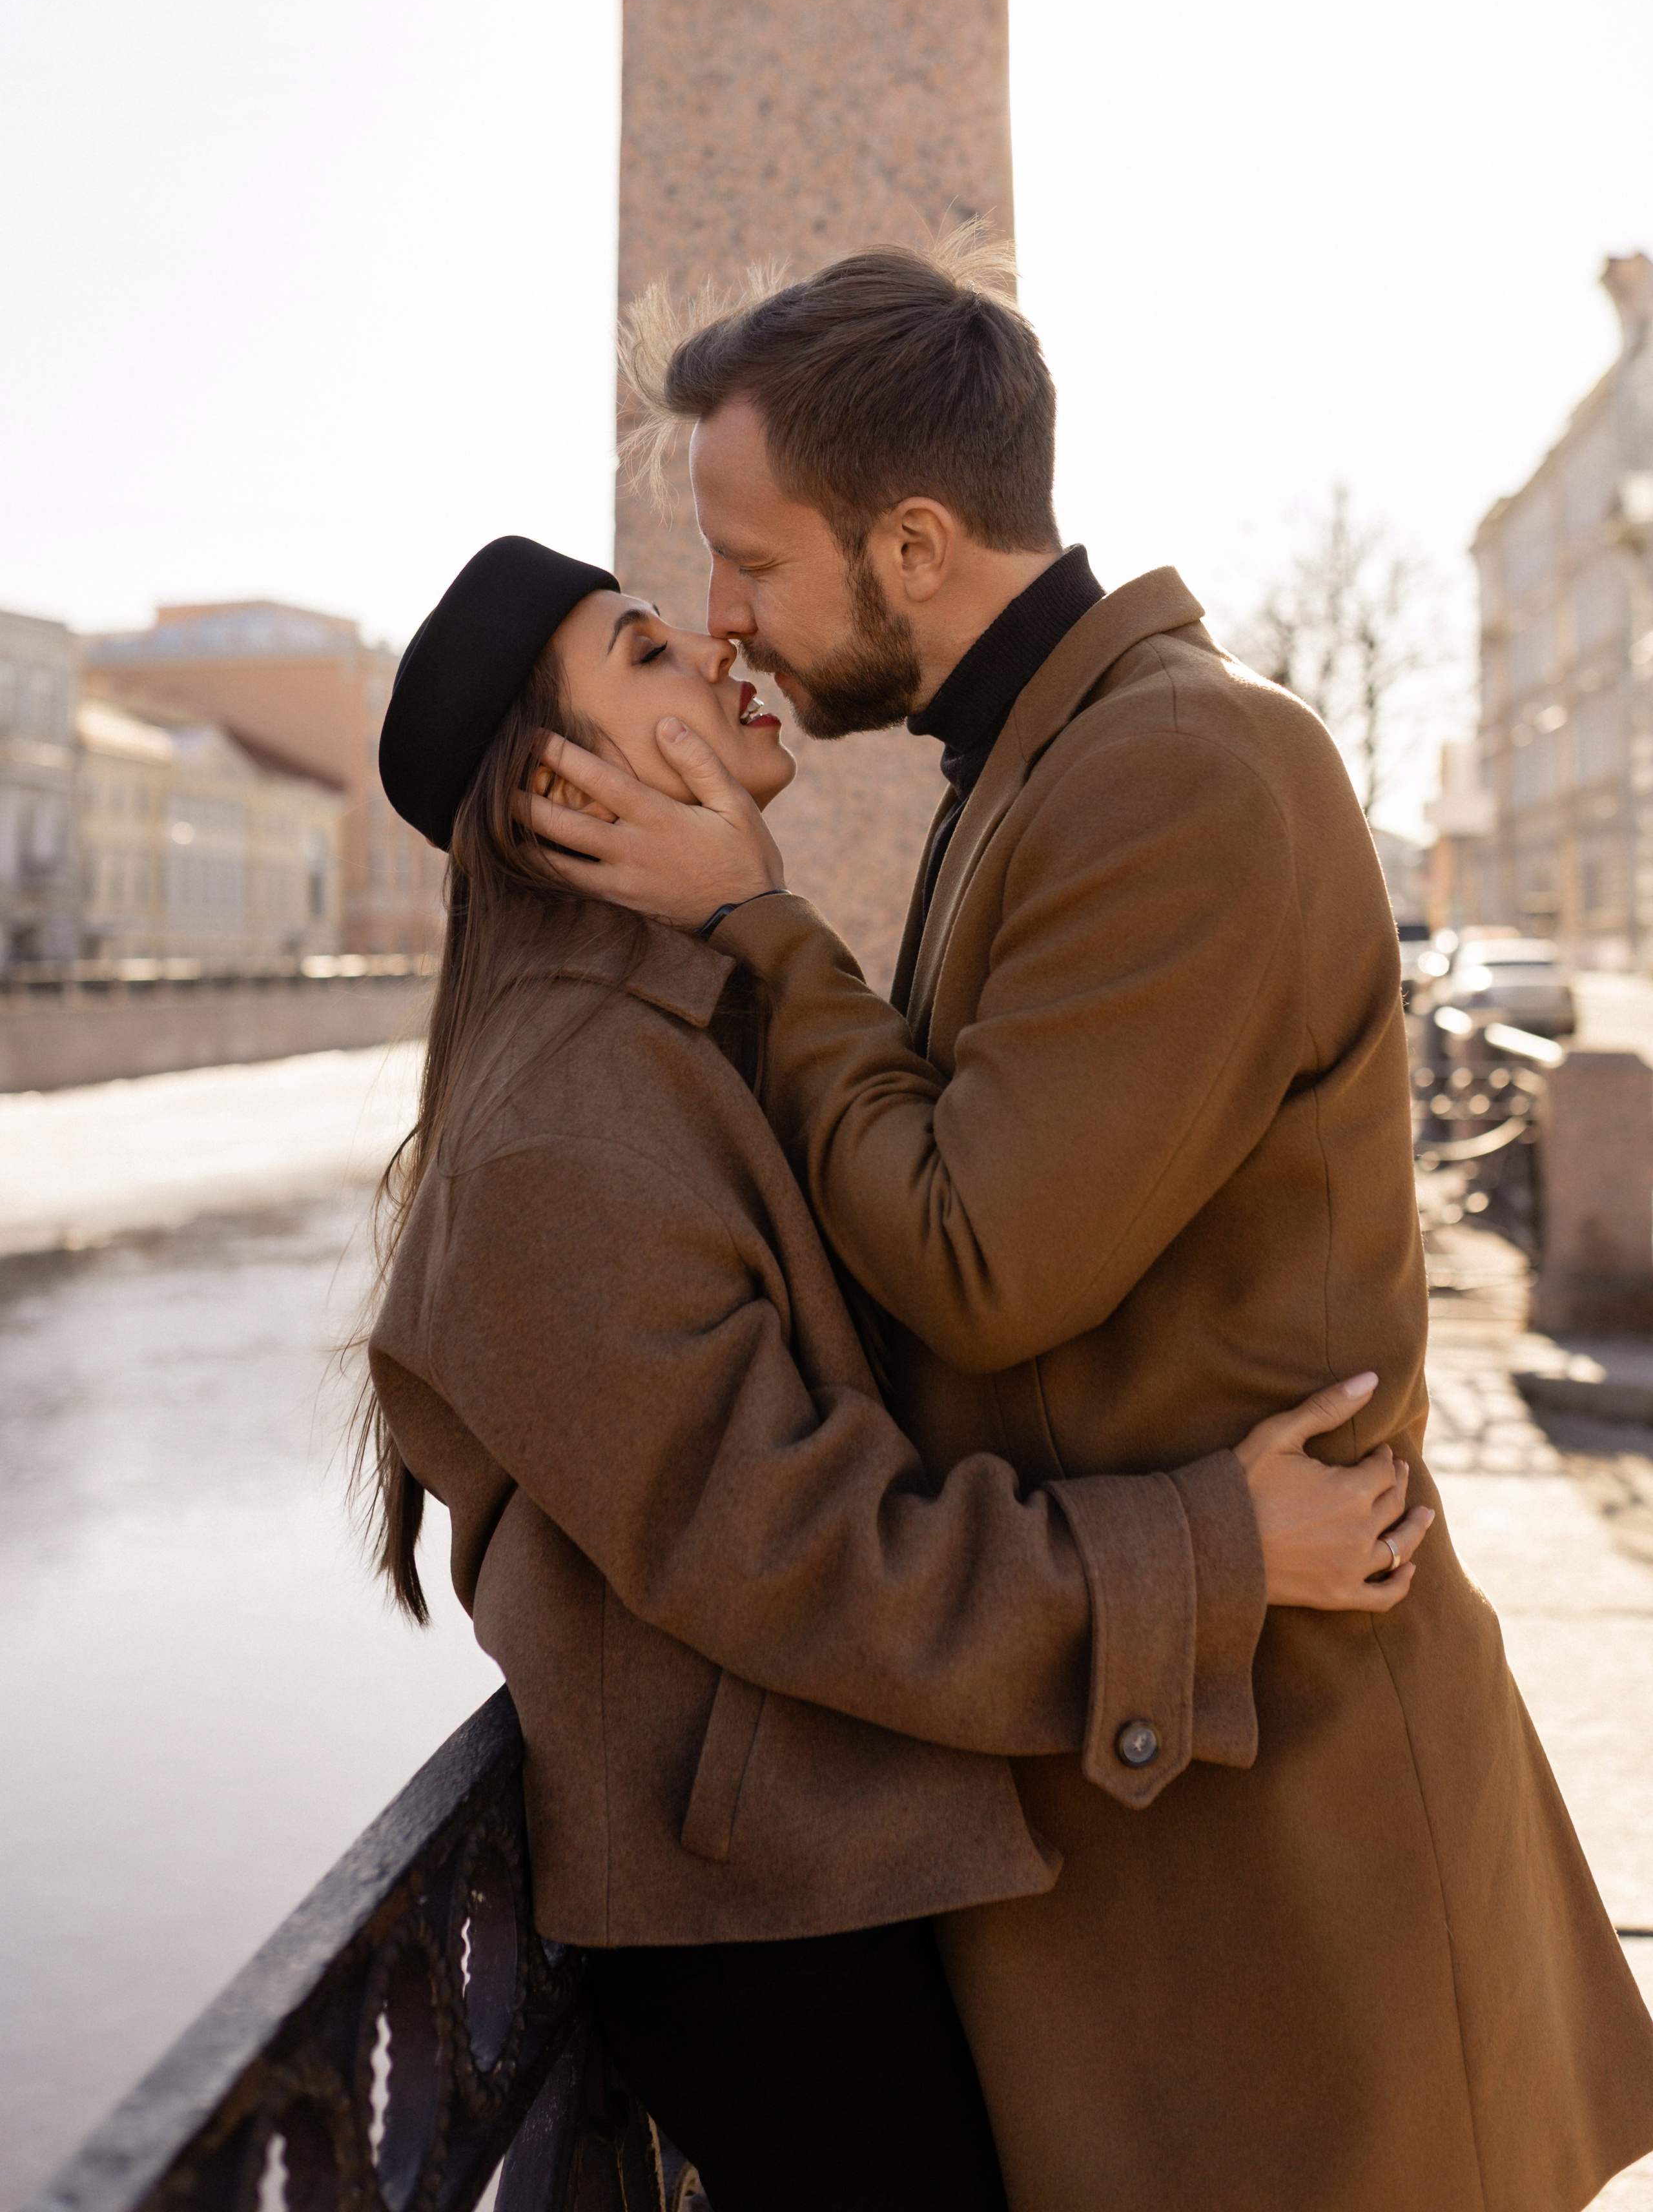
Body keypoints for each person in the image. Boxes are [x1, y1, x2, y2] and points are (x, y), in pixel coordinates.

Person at [520, 240, 1653, 2212]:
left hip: (1293, 1863)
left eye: (756, 564)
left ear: (920, 546)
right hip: (1184, 1794)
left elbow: (982, 1258)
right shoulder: (1051, 760)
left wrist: (760, 923)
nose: (725, 624)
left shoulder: (1181, 768)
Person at [361, 535, 1428, 2212]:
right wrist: (1221, 1546)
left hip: (828, 1890)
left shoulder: (664, 1038)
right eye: (645, 651)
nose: (717, 650)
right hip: (778, 1955)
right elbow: (812, 1558)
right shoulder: (565, 1124)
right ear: (554, 785)